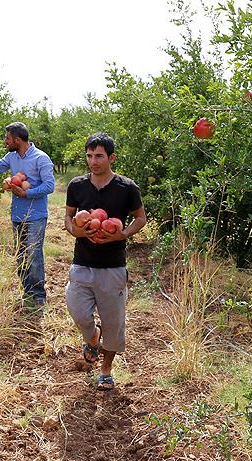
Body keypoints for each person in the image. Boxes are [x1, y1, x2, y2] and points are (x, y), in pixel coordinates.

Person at [64, 132, 147, 391]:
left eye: (99, 156)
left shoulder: (127, 188)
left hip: (112, 266)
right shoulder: (76, 186)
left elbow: (140, 218)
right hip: (82, 264)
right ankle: (92, 337)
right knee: (78, 312)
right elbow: (68, 219)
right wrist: (76, 231)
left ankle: (106, 370)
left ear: (111, 157)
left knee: (113, 323)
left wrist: (122, 234)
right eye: (89, 156)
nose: (93, 161)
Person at [0, 122, 55, 309]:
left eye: (7, 138)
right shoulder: (11, 157)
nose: (5, 141)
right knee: (21, 255)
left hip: (36, 215)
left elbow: (49, 186)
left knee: (34, 255)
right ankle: (27, 292)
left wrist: (26, 193)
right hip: (18, 215)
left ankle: (39, 296)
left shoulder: (41, 158)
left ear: (17, 139)